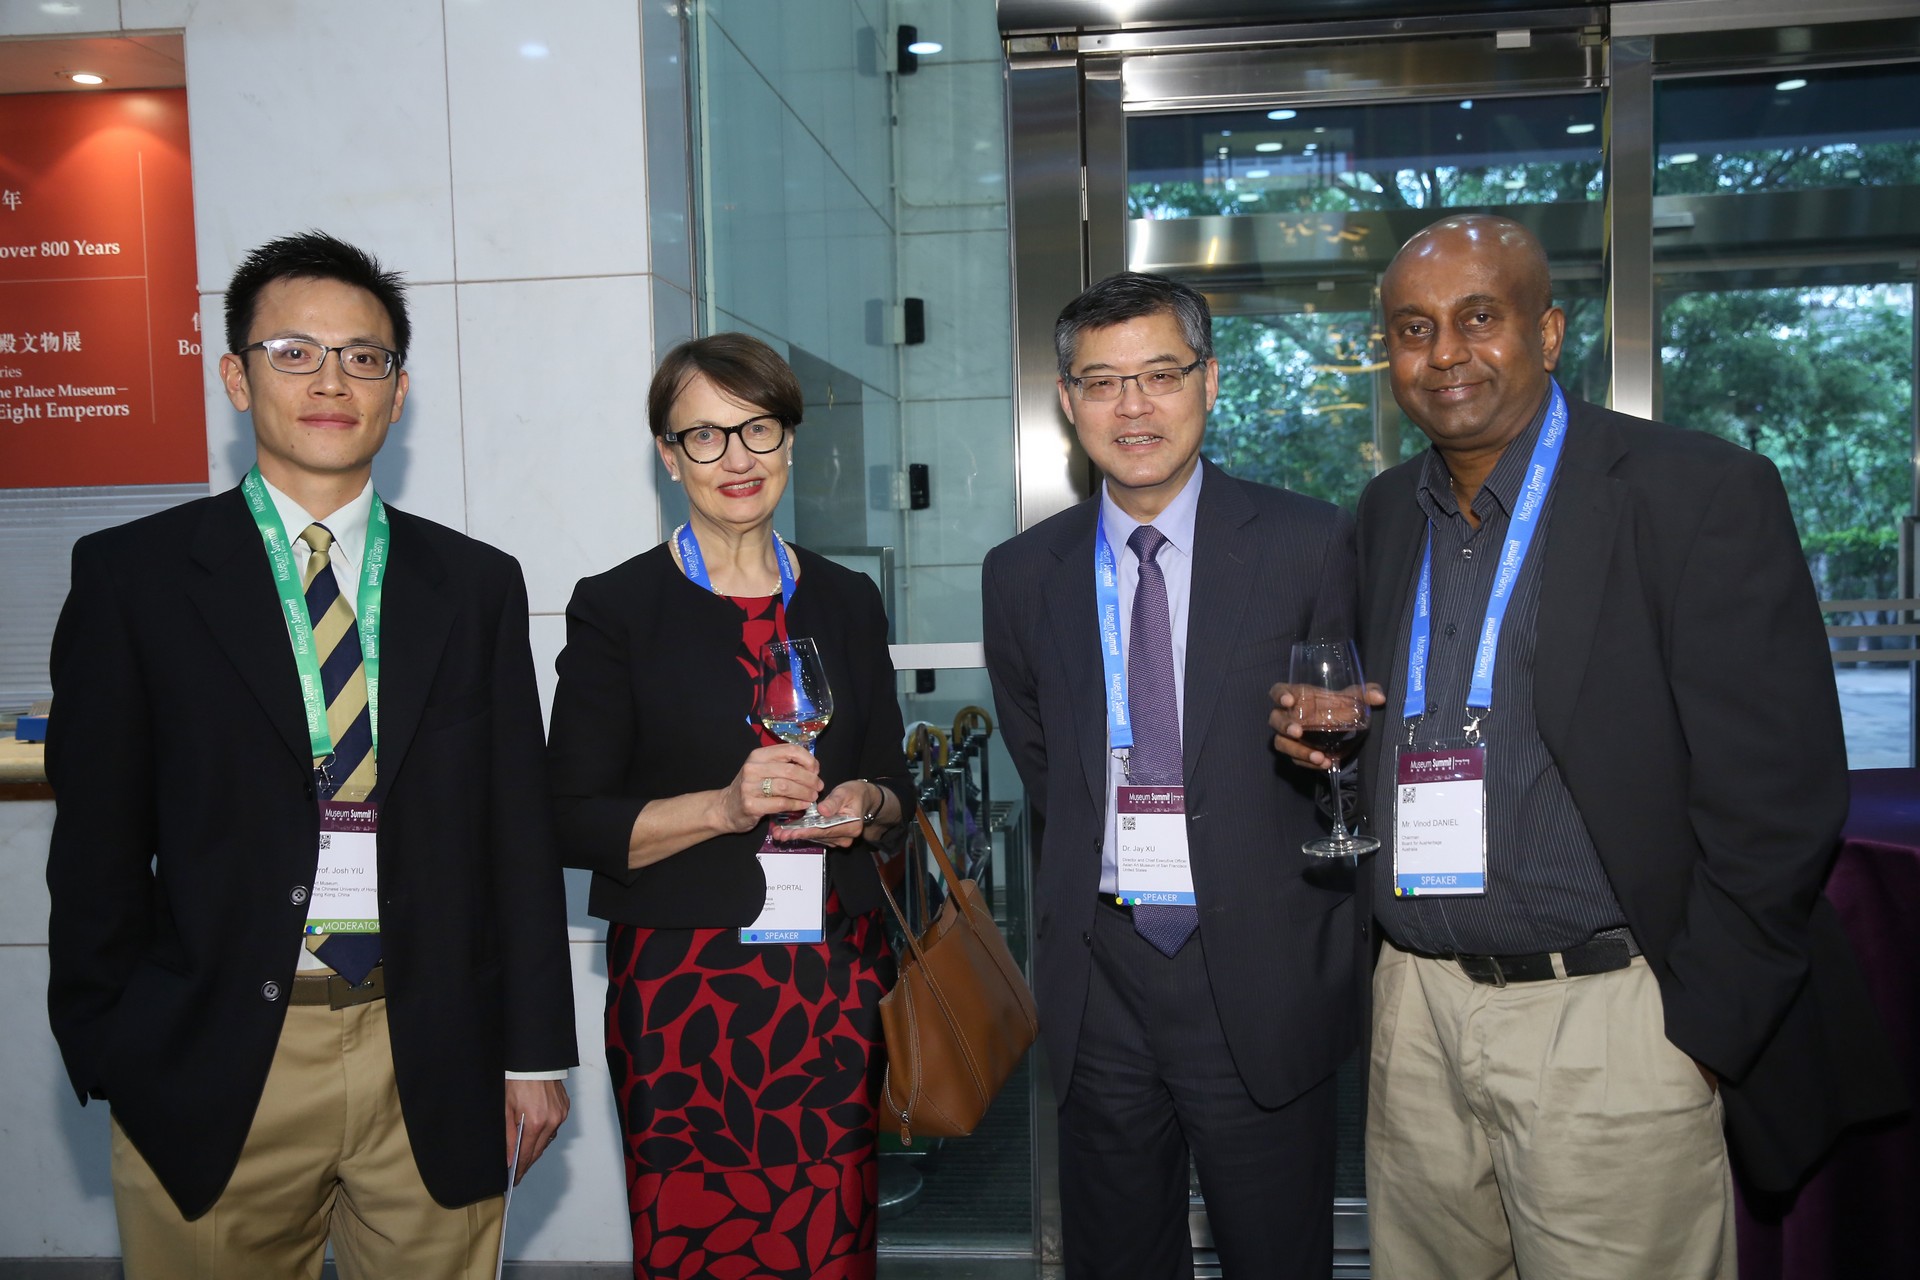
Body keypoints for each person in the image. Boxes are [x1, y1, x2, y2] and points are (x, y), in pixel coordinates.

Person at [1274, 213, 1903, 1279]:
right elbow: (1422, 722)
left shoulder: (1693, 492)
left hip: (1612, 1019)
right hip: (1418, 1015)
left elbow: (1782, 796)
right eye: (1415, 329)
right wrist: (1331, 739)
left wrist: (1704, 1032)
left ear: (1550, 331)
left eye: (1480, 317)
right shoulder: (1385, 514)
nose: (1445, 352)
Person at [44, 231, 576, 1280]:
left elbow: (515, 830)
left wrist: (533, 1050)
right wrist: (115, 1044)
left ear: (398, 391)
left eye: (363, 357)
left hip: (431, 1052)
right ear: (236, 377)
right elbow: (97, 844)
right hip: (217, 1053)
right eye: (294, 352)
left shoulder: (474, 584)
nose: (332, 381)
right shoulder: (134, 577)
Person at [982, 271, 1365, 1278]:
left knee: (1278, 1254)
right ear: (1067, 401)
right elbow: (1046, 764)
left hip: (1258, 968)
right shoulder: (1021, 574)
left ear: (1209, 382)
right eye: (1102, 381)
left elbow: (1350, 744)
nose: (1134, 406)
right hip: (1101, 969)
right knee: (1116, 1256)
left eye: (1160, 374)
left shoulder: (1309, 542)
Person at [547, 333, 913, 1280]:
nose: (736, 457)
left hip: (832, 987)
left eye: (757, 428)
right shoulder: (618, 608)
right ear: (668, 457)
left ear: (790, 439)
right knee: (693, 1242)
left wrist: (868, 800)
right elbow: (570, 817)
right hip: (683, 996)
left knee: (828, 1243)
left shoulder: (847, 599)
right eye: (704, 436)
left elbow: (897, 795)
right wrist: (721, 806)